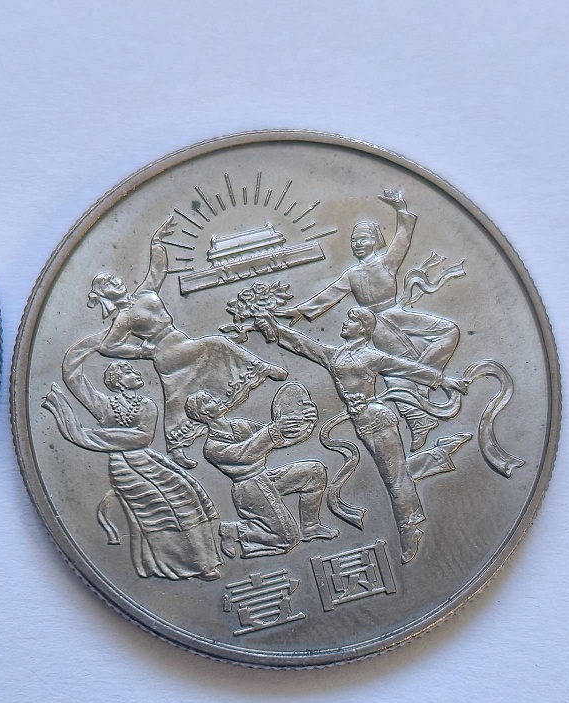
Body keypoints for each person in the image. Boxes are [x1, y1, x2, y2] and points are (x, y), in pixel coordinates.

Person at [253, 305, 468, 563]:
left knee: (394, 479)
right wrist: (276, 328)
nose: (344, 323)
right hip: (362, 424)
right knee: (395, 473)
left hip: (378, 420)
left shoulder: (371, 357)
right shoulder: (336, 355)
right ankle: (439, 455)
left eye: (351, 320)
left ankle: (409, 530)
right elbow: (304, 345)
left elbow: (407, 369)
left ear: (364, 329)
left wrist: (445, 380)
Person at [90, 217, 287, 468]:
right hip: (167, 351)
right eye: (107, 284)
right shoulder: (124, 318)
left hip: (178, 345)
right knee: (216, 343)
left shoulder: (144, 293)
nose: (114, 282)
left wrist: (157, 243)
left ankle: (176, 448)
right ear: (104, 294)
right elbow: (107, 347)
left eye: (112, 278)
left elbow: (158, 270)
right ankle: (263, 367)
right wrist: (140, 351)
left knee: (176, 398)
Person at [285, 190, 462, 450]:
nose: (357, 244)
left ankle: (420, 384)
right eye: (354, 240)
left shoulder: (386, 263)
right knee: (393, 370)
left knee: (449, 330)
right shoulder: (351, 274)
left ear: (375, 241)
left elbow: (403, 239)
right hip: (374, 324)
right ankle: (418, 419)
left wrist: (401, 208)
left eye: (363, 239)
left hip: (395, 314)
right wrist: (301, 310)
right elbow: (330, 294)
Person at [42, 334, 222, 581]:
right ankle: (178, 565)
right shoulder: (105, 406)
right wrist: (99, 341)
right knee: (159, 507)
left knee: (187, 495)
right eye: (128, 371)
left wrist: (92, 435)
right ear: (118, 382)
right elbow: (73, 376)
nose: (136, 373)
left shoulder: (148, 405)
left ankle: (204, 560)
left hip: (147, 461)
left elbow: (143, 438)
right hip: (124, 468)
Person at [185, 389, 338, 560]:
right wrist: (275, 429)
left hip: (266, 478)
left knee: (314, 471)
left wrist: (304, 423)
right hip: (249, 490)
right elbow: (244, 454)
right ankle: (235, 530)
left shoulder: (240, 425)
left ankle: (310, 526)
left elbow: (279, 440)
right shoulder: (212, 447)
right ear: (204, 413)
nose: (217, 400)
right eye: (209, 400)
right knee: (288, 539)